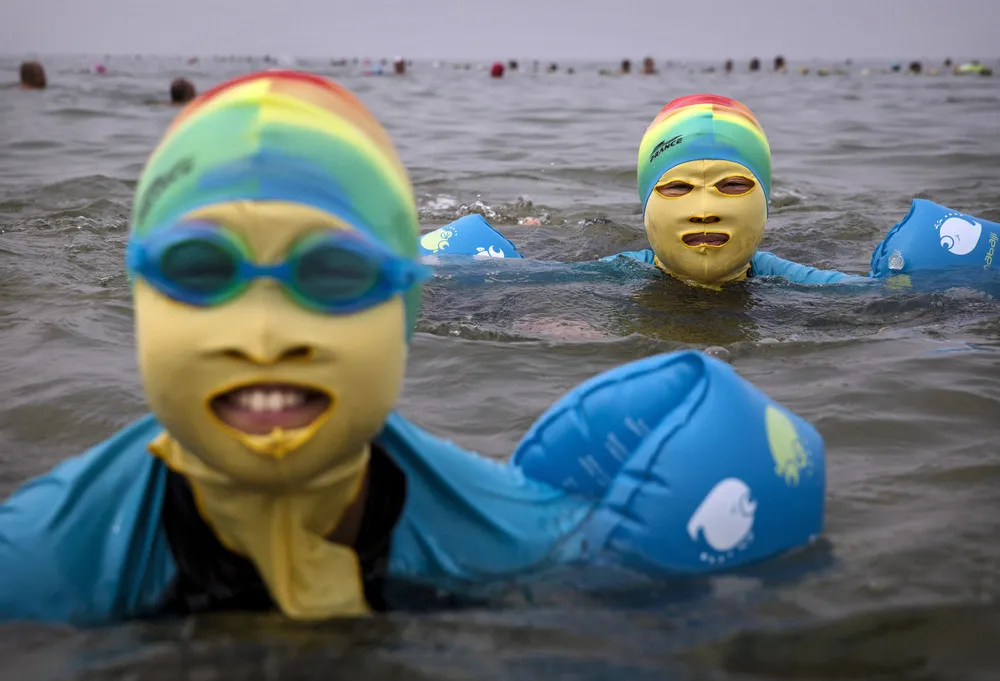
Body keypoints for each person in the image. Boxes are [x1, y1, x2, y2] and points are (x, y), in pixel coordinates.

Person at [0, 71, 825, 624]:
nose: (262, 335)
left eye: (331, 273)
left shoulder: (528, 541)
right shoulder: (31, 564)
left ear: (405, 306)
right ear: (139, 298)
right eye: (199, 269)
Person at [601, 94, 859, 288]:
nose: (704, 213)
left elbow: (885, 295)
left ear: (764, 202)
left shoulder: (788, 279)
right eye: (678, 187)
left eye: (733, 186)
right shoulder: (613, 276)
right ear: (645, 205)